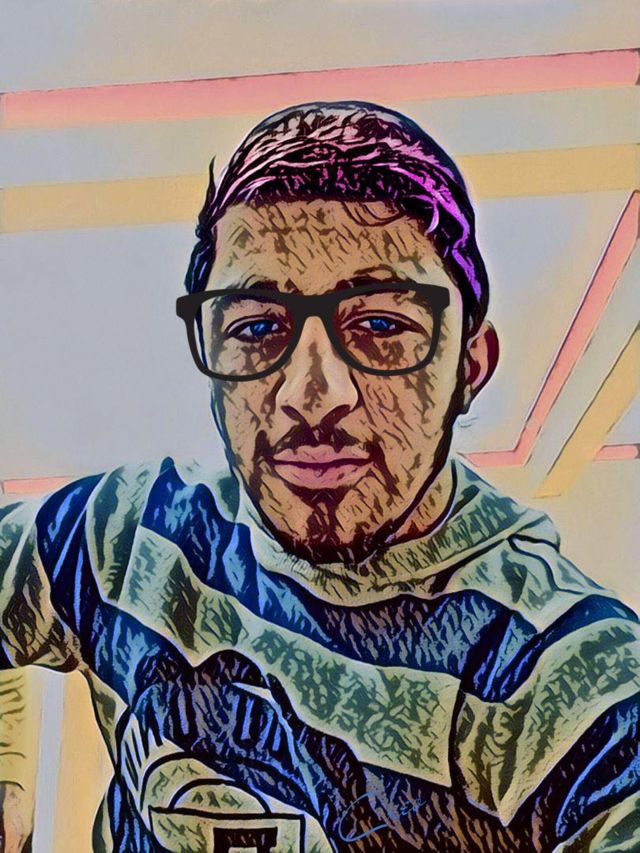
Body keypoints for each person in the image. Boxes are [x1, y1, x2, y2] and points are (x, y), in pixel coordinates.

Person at [1, 101, 638, 853]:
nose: (312, 395)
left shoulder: (564, 675)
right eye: (256, 326)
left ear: (470, 365)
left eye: (381, 324)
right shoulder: (125, 531)